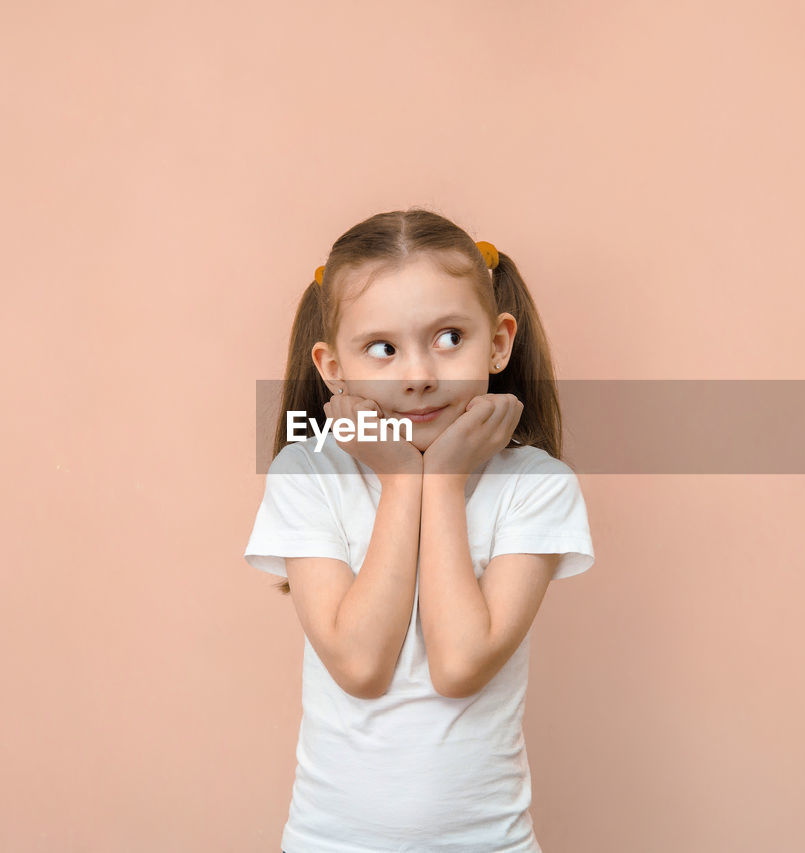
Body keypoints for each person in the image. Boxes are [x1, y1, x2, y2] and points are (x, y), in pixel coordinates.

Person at [245, 207, 595, 852]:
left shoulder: (535, 485)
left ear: (498, 341)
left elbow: (460, 664)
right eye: (382, 349)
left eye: (449, 337)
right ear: (332, 368)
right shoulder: (308, 473)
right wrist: (404, 480)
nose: (418, 374)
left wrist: (445, 479)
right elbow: (361, 665)